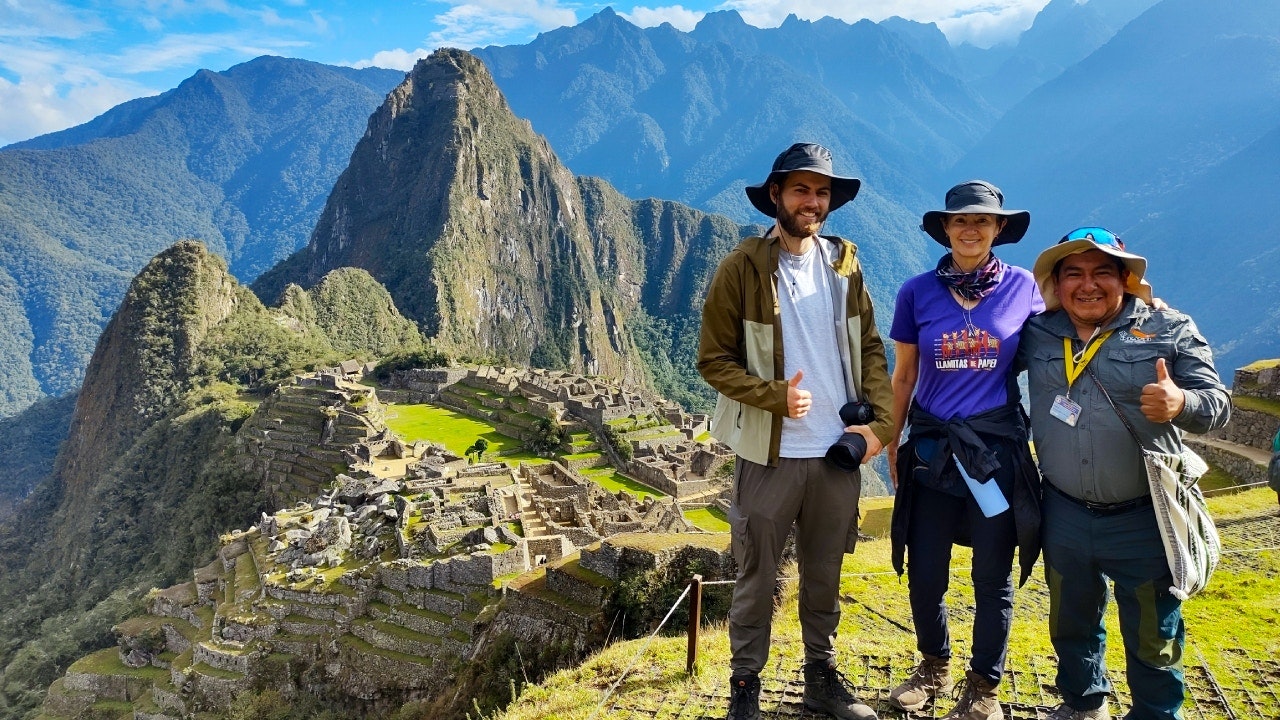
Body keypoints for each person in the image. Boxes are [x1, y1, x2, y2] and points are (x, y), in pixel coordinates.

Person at [698, 142, 894, 720]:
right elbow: (713, 359)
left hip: (837, 450)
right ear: (777, 196)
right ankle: (744, 686)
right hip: (771, 451)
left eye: (822, 192)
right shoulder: (744, 268)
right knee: (757, 572)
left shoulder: (844, 265)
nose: (812, 201)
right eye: (801, 190)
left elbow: (871, 350)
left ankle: (821, 676)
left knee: (824, 570)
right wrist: (774, 397)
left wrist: (879, 427)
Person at [1020, 227, 1231, 720]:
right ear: (1057, 282)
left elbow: (1218, 405)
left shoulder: (1169, 328)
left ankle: (1156, 714)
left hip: (1143, 517)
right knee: (1071, 619)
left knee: (1154, 630)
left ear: (1126, 279)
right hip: (1064, 512)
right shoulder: (1038, 331)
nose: (1087, 285)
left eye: (1101, 273)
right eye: (1073, 274)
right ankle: (1082, 702)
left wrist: (1183, 402)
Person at [886, 180, 1044, 720]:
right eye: (959, 220)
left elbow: (1063, 344)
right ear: (945, 229)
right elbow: (904, 375)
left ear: (1000, 228)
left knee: (991, 575)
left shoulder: (1025, 289)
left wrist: (1140, 314)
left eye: (982, 220)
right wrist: (892, 441)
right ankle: (933, 665)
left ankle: (983, 685)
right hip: (932, 450)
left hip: (994, 454)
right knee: (926, 567)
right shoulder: (916, 293)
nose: (970, 228)